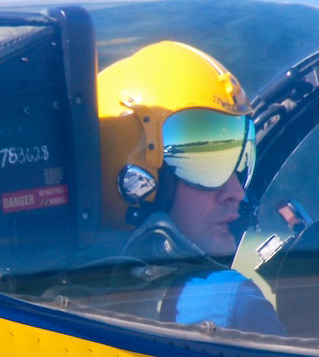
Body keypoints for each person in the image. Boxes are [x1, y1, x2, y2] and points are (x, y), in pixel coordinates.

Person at [97, 41, 285, 335]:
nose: (236, 193)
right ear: (135, 182)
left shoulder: (49, 286)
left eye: (240, 158)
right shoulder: (229, 303)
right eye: (206, 165)